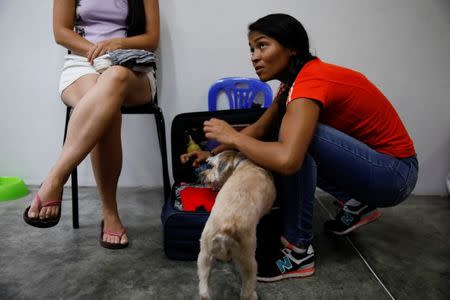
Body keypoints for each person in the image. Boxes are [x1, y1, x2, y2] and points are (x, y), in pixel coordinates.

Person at [195, 13, 418, 282]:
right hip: (377, 169)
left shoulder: (309, 82)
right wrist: (212, 153)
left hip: (394, 175)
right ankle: (356, 203)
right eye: (252, 49)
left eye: (262, 45)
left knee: (295, 141)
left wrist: (234, 137)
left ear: (292, 48)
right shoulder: (292, 84)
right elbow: (259, 130)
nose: (254, 56)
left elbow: (288, 160)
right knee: (285, 132)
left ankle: (298, 251)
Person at [23, 0, 160, 250]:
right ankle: (110, 214)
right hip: (81, 63)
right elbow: (61, 31)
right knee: (107, 110)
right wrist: (98, 51)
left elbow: (152, 38)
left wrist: (118, 45)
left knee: (113, 79)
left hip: (131, 66)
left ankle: (54, 179)